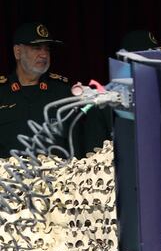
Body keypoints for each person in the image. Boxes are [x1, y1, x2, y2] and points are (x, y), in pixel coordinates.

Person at [0, 23, 107, 159]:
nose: (44, 54)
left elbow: (83, 139)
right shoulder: (2, 93)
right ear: (18, 52)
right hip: (9, 177)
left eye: (47, 49)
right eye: (36, 48)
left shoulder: (65, 92)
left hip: (56, 177)